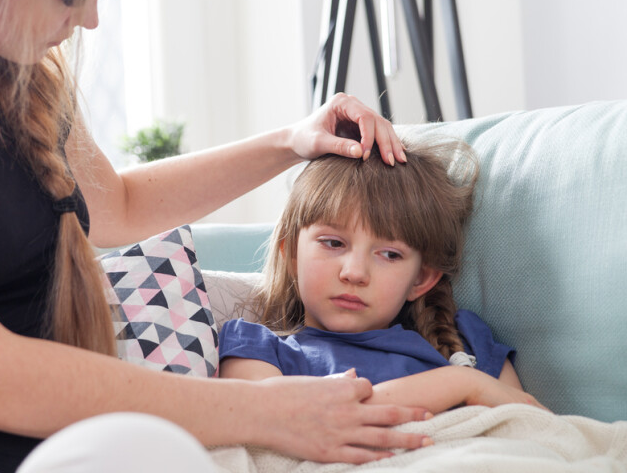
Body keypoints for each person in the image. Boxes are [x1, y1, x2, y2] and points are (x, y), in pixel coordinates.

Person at [0, 0, 432, 472]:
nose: (90, 20)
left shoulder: (14, 68)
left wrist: (290, 142)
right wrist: (271, 410)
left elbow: (122, 207)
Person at [218, 133, 546, 416]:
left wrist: (468, 380)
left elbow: (530, 429)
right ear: (291, 255)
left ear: (421, 279)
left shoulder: (466, 342)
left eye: (389, 254)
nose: (355, 273)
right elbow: (277, 419)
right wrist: (461, 385)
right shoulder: (256, 348)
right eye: (333, 243)